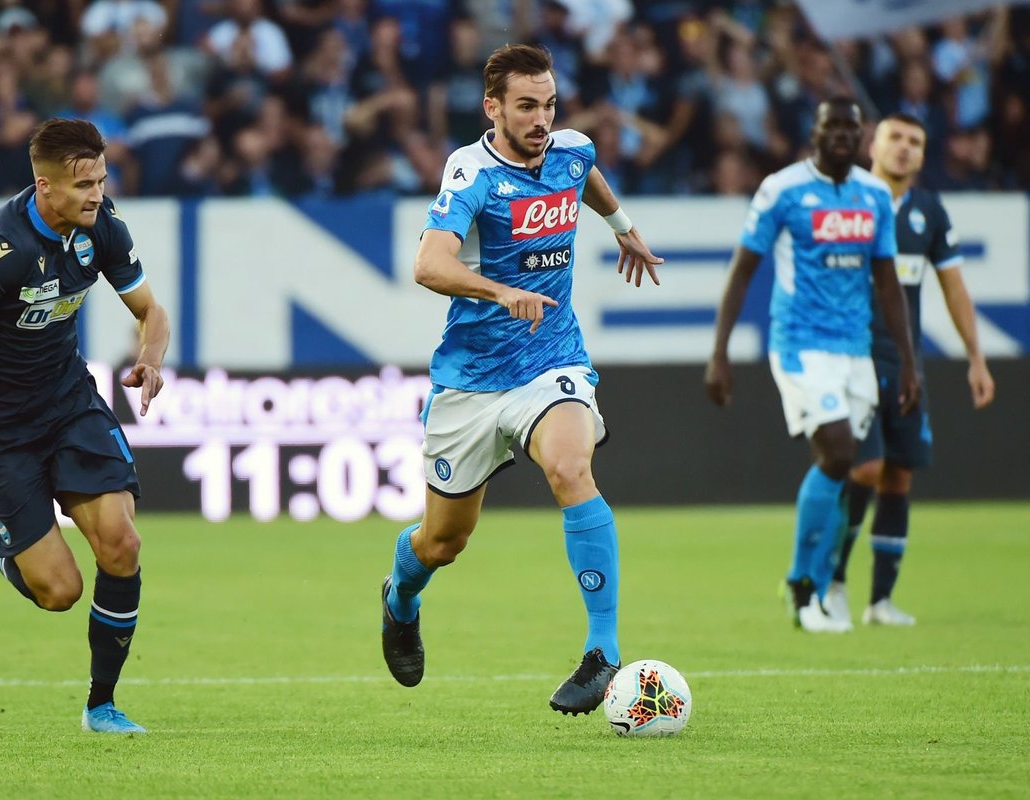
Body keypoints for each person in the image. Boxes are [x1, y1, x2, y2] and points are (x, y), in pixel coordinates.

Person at [379, 44, 664, 715]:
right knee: (442, 542)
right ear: (493, 108)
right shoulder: (471, 172)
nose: (542, 120)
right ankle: (400, 597)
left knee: (570, 466)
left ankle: (602, 651)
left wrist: (623, 228)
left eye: (550, 105)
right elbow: (428, 264)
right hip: (472, 379)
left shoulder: (571, 150)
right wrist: (500, 292)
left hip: (551, 360)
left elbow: (586, 176)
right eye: (527, 106)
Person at [0, 118, 170, 733]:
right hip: (0, 428)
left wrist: (150, 357)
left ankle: (101, 705)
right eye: (85, 185)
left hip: (67, 405)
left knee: (123, 543)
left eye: (102, 181)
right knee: (60, 592)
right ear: (45, 186)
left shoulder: (102, 228)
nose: (97, 195)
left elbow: (150, 310)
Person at [704, 97, 921, 634]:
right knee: (840, 451)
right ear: (815, 133)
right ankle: (804, 587)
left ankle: (817, 588)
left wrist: (908, 362)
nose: (842, 134)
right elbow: (743, 269)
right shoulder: (782, 189)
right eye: (833, 126)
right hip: (800, 345)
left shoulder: (874, 195)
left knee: (843, 468)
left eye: (851, 126)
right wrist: (720, 352)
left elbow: (887, 281)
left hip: (856, 350)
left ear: (861, 136)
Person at [826, 113, 995, 627]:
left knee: (898, 475)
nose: (904, 148)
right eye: (895, 137)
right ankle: (833, 582)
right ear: (872, 146)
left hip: (905, 364)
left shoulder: (929, 211)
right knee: (865, 468)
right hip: (853, 358)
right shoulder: (844, 201)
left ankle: (880, 600)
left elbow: (954, 287)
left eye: (915, 141)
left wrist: (976, 357)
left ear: (923, 154)